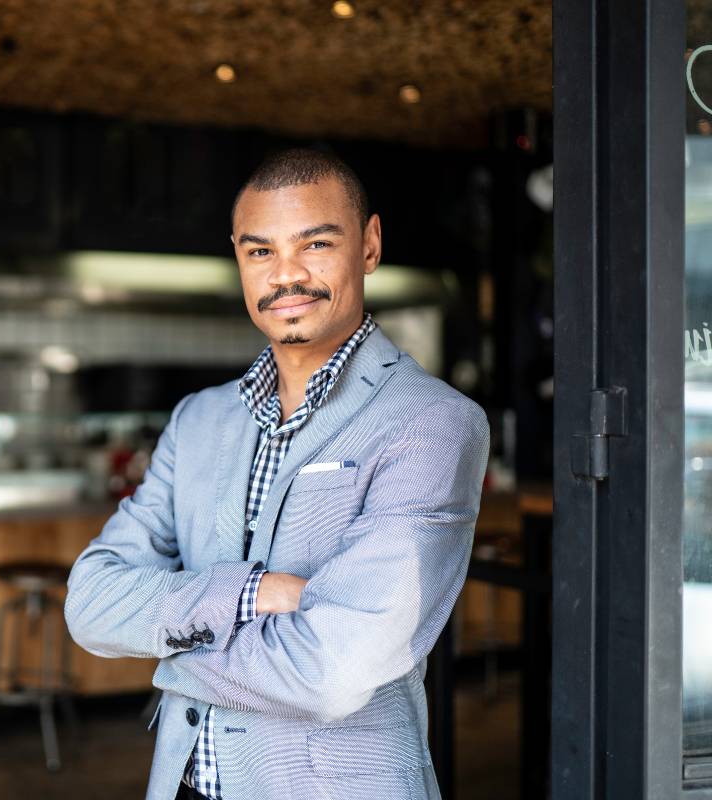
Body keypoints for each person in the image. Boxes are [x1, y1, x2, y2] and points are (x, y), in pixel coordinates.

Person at [64, 147, 490, 800]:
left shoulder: (431, 422)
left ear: (369, 246)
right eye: (260, 251)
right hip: (183, 784)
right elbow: (90, 606)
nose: (286, 275)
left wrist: (164, 650)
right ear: (237, 256)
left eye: (315, 244)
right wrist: (251, 594)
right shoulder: (197, 420)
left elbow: (331, 668)